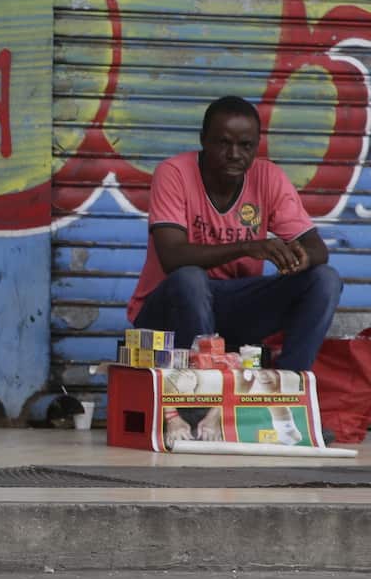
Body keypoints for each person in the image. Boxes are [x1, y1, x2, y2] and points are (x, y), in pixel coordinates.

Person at [130, 96, 342, 372]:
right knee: (190, 279)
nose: (234, 154)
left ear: (256, 147)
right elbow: (172, 257)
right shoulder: (174, 173)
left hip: (233, 307)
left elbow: (317, 249)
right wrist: (248, 247)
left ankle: (289, 385)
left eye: (245, 146)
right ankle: (203, 398)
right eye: (223, 143)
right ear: (203, 140)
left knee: (325, 279)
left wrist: (298, 258)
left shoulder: (269, 177)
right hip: (168, 310)